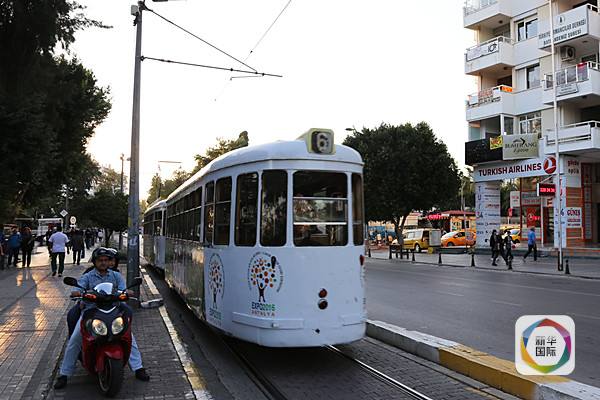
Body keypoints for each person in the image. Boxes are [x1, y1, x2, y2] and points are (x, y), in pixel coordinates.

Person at [55, 248, 149, 389]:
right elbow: (79, 288)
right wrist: (77, 292)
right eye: (100, 260)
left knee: (129, 336)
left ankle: (138, 368)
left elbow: (123, 289)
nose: (103, 263)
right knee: (75, 340)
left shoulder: (115, 275)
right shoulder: (88, 276)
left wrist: (126, 292)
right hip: (91, 312)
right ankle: (64, 374)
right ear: (95, 262)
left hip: (113, 311)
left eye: (106, 260)